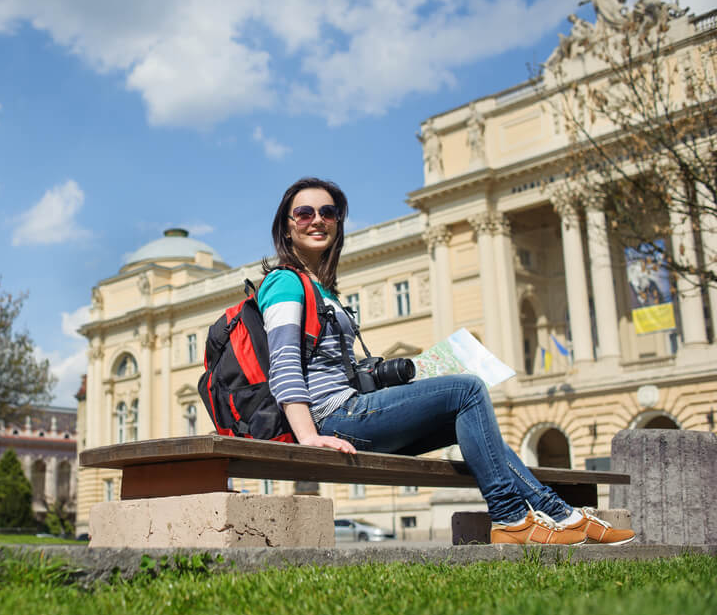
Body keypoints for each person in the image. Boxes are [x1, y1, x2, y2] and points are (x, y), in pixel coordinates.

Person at [257, 176, 635, 546]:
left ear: (338, 224)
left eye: (329, 212)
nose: (318, 219)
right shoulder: (284, 282)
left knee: (468, 420)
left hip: (349, 411)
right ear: (287, 228)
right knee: (467, 389)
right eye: (304, 213)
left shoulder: (322, 288)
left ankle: (560, 514)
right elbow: (284, 363)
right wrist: (309, 436)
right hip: (333, 417)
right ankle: (510, 517)